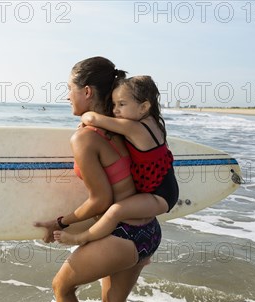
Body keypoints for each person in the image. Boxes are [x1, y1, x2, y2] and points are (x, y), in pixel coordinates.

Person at [34, 57, 161, 302]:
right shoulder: (125, 123)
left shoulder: (85, 138)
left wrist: (61, 222)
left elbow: (100, 201)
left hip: (122, 235)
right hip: (148, 231)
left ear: (87, 91)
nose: (67, 96)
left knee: (62, 288)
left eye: (70, 88)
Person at [54, 76, 179, 246]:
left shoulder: (134, 128)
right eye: (113, 105)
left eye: (122, 104)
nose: (115, 111)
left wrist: (85, 117)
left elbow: (92, 119)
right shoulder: (154, 123)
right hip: (164, 187)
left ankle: (81, 238)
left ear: (144, 107)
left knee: (115, 211)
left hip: (160, 196)